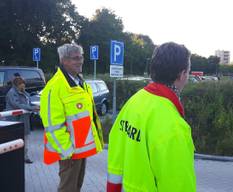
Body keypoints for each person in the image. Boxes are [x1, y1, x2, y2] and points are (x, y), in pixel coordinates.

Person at [107, 42, 196, 192]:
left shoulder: (135, 101)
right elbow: (178, 186)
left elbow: (116, 148)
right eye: (188, 72)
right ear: (181, 75)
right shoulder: (174, 127)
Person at [40, 43, 104, 192]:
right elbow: (52, 125)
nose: (80, 61)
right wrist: (67, 152)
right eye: (75, 58)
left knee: (76, 187)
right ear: (64, 60)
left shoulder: (80, 82)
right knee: (67, 189)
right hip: (69, 153)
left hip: (80, 151)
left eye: (81, 57)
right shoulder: (54, 87)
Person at [5, 76, 39, 164]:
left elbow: (28, 102)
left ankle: (25, 157)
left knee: (25, 138)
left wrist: (34, 106)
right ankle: (14, 157)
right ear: (17, 85)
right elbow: (17, 104)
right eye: (22, 84)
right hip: (15, 120)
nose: (24, 85)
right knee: (15, 139)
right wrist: (31, 108)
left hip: (24, 119)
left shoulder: (24, 92)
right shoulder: (12, 93)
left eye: (24, 83)